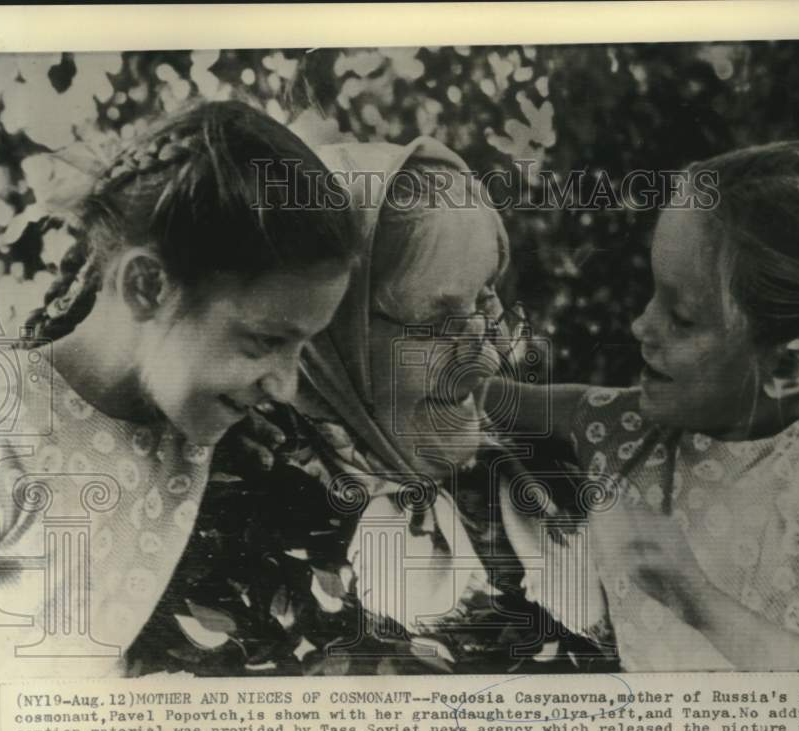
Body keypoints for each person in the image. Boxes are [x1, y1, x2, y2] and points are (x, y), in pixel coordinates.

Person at [127, 137, 616, 676]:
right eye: (434, 323)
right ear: (329, 334)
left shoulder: (537, 473)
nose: (484, 346)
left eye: (484, 301)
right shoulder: (216, 529)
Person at [485, 140, 799, 671]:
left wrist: (695, 599)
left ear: (786, 368)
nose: (641, 326)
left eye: (683, 318)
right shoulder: (620, 428)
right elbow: (468, 392)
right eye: (654, 295)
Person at [0, 100, 353, 677]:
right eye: (263, 341)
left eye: (301, 348)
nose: (285, 388)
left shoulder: (202, 427)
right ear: (148, 286)